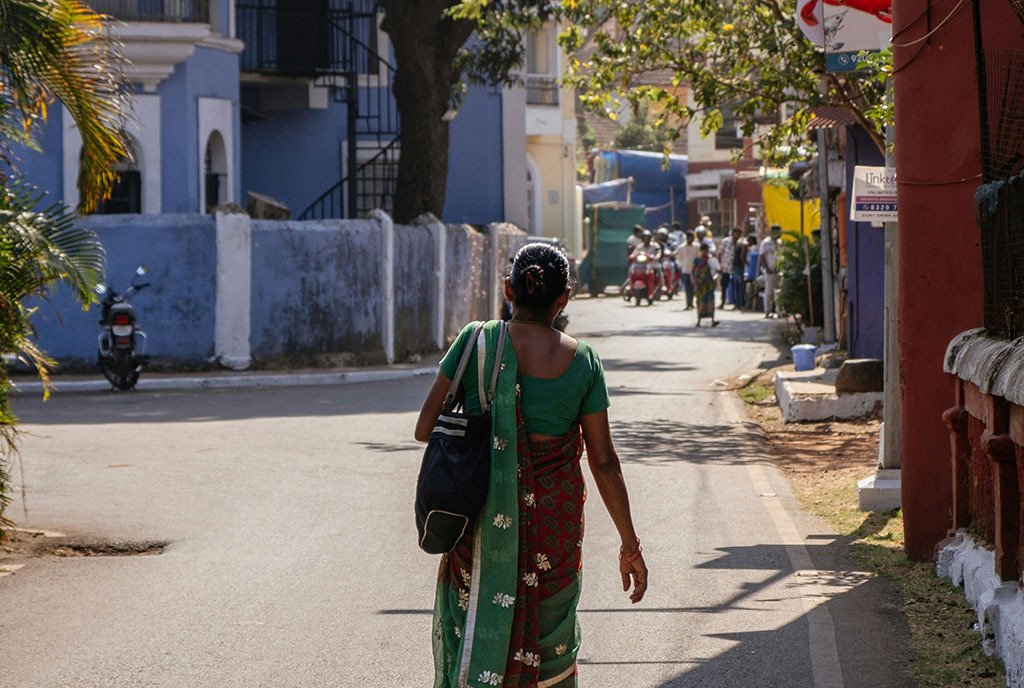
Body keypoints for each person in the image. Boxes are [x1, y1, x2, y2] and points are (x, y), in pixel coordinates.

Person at [415, 243, 648, 688]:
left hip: (482, 523)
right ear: (564, 299)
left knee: (473, 624)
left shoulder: (476, 342)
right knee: (551, 646)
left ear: (508, 289)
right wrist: (629, 545)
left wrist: (487, 411)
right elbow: (603, 460)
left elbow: (426, 427)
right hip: (554, 533)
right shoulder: (583, 362)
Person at [692, 243, 720, 327]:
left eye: (706, 250)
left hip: (709, 284)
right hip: (700, 284)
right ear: (701, 251)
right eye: (704, 250)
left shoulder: (711, 260)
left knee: (710, 302)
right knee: (700, 302)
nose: (705, 252)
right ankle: (699, 321)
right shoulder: (697, 260)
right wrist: (694, 281)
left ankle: (712, 320)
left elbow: (716, 270)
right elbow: (692, 271)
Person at [758, 225, 782, 318]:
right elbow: (762, 256)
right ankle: (768, 311)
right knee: (769, 292)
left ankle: (779, 311)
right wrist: (767, 268)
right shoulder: (766, 242)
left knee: (779, 292)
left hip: (779, 271)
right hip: (770, 271)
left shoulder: (780, 242)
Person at [717, 228, 740, 307]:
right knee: (724, 286)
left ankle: (736, 303)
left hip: (736, 268)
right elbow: (720, 253)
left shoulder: (740, 242)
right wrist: (719, 265)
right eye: (736, 233)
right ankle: (722, 302)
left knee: (736, 286)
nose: (738, 236)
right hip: (725, 267)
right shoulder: (725, 241)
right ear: (733, 233)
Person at [678, 230, 700, 310]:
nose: (692, 239)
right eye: (691, 238)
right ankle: (689, 304)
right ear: (687, 238)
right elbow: (680, 259)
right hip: (686, 270)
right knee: (687, 288)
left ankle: (695, 302)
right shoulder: (681, 247)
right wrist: (682, 267)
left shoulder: (697, 246)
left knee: (695, 288)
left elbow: (698, 257)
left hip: (696, 271)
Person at [728, 228, 747, 309]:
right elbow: (742, 256)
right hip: (739, 266)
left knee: (737, 286)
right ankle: (740, 304)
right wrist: (743, 264)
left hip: (736, 265)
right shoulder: (743, 243)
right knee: (740, 286)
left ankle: (737, 304)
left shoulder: (738, 242)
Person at [744, 234, 760, 310]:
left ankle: (749, 304)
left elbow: (750, 261)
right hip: (752, 272)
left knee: (750, 288)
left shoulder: (753, 249)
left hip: (752, 273)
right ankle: (750, 303)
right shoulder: (754, 249)